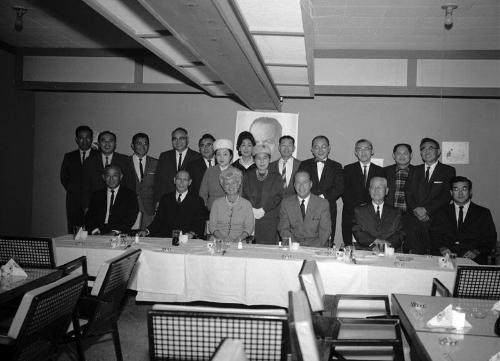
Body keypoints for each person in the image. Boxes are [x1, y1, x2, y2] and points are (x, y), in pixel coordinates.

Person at [430, 176, 497, 264]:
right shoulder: (441, 212)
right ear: (451, 192)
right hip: (445, 258)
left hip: (474, 259)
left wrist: (476, 251)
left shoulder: (483, 213)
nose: (460, 193)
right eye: (456, 189)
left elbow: (490, 238)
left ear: (470, 192)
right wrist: (442, 248)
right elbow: (434, 234)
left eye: (464, 189)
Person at [406, 137, 456, 254]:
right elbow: (408, 193)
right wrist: (416, 210)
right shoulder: (413, 170)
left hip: (436, 220)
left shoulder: (448, 170)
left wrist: (427, 210)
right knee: (416, 258)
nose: (426, 151)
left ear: (438, 152)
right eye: (423, 149)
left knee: (436, 257)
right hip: (415, 221)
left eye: (431, 148)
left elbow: (446, 195)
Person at [139, 170, 207, 238]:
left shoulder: (198, 201)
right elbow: (158, 221)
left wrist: (192, 233)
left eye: (185, 180)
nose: (181, 182)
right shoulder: (165, 198)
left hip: (186, 240)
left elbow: (200, 223)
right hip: (165, 239)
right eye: (179, 179)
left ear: (190, 182)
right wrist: (146, 231)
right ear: (174, 180)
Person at [298, 135, 343, 239]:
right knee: (306, 238)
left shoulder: (336, 166)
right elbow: (298, 184)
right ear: (312, 149)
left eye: (323, 146)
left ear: (329, 148)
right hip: (307, 208)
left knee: (326, 239)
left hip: (328, 208)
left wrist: (322, 198)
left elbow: (339, 187)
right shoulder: (304, 164)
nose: (320, 150)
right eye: (316, 147)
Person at [341, 139, 384, 245]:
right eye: (359, 149)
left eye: (367, 149)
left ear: (372, 151)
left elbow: (381, 193)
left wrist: (367, 209)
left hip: (372, 213)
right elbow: (344, 192)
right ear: (355, 152)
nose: (363, 152)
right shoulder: (348, 169)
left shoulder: (380, 171)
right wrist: (357, 209)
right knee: (349, 246)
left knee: (371, 246)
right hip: (350, 212)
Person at [278, 171, 331, 247]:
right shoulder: (286, 203)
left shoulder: (323, 204)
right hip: (293, 247)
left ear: (311, 184)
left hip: (316, 248)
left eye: (305, 182)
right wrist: (296, 246)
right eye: (298, 183)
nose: (301, 186)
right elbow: (283, 229)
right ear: (294, 185)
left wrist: (310, 249)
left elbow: (325, 231)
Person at [242, 144, 283, 244]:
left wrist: (264, 209)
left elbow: (278, 196)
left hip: (269, 218)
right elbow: (243, 194)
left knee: (267, 250)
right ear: (254, 159)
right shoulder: (248, 175)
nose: (262, 161)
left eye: (265, 158)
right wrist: (251, 209)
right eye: (258, 158)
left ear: (269, 159)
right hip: (250, 216)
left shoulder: (276, 176)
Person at [60, 125, 98, 233]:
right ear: (76, 139)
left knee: (94, 232)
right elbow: (64, 178)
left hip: (94, 201)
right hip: (74, 201)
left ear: (92, 139)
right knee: (75, 232)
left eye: (88, 137)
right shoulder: (69, 157)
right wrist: (75, 191)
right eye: (81, 137)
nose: (85, 140)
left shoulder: (98, 156)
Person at [82, 130, 131, 210]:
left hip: (119, 205)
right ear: (99, 144)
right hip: (95, 206)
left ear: (115, 144)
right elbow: (85, 187)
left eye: (110, 141)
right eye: (103, 141)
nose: (107, 144)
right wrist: (86, 207)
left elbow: (130, 185)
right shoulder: (89, 162)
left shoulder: (125, 161)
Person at [352, 177, 404, 250]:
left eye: (379, 187)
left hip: (389, 251)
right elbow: (357, 230)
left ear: (386, 191)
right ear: (369, 190)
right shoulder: (359, 210)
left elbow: (400, 233)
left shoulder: (395, 212)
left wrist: (385, 245)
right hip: (366, 251)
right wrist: (375, 242)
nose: (376, 190)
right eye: (373, 187)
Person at [85, 165, 138, 235]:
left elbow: (129, 218)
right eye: (108, 176)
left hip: (119, 232)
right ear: (103, 177)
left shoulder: (130, 195)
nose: (111, 179)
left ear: (121, 177)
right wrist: (94, 230)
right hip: (98, 232)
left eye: (115, 176)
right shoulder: (96, 195)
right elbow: (89, 216)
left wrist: (115, 231)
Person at [154, 127, 201, 203]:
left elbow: (199, 184)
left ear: (187, 140)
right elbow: (158, 182)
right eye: (174, 139)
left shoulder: (197, 157)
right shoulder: (164, 156)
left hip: (190, 202)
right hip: (167, 201)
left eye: (181, 138)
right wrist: (158, 200)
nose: (178, 141)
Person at [209, 168, 254, 242]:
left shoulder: (247, 204)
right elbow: (212, 226)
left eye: (233, 183)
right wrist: (223, 238)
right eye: (227, 184)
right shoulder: (216, 203)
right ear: (223, 186)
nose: (230, 187)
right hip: (218, 240)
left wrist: (238, 239)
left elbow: (249, 228)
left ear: (239, 184)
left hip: (239, 241)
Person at [123, 133, 158, 230]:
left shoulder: (156, 163)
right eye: (139, 143)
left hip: (149, 208)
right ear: (132, 146)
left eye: (145, 143)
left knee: (146, 239)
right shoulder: (124, 162)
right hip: (129, 207)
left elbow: (159, 186)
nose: (143, 146)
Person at [200, 139, 237, 211]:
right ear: (215, 156)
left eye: (225, 154)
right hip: (211, 209)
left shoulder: (236, 172)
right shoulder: (210, 171)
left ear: (230, 156)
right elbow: (203, 193)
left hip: (230, 210)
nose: (221, 157)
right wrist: (203, 209)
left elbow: (239, 194)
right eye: (218, 154)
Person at [384, 143, 414, 213]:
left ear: (411, 155)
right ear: (394, 156)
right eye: (398, 153)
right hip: (389, 214)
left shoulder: (419, 172)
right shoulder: (384, 171)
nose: (402, 156)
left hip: (411, 215)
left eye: (405, 153)